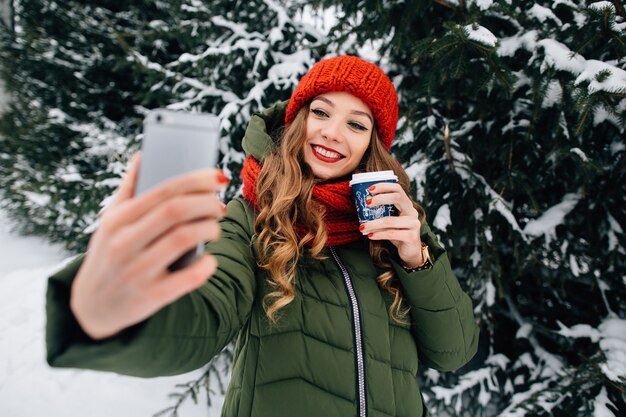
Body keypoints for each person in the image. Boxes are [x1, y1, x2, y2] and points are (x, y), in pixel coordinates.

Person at [46, 55, 479, 417]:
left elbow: (454, 353)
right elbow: (204, 317)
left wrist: (417, 258)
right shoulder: (251, 215)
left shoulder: (397, 221)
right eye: (321, 112)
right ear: (298, 119)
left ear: (373, 143)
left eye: (356, 124)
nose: (331, 133)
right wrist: (112, 310)